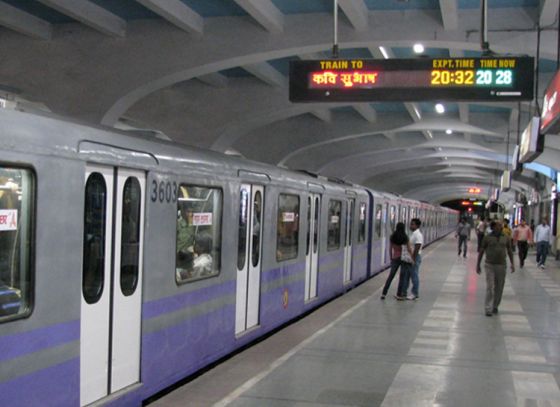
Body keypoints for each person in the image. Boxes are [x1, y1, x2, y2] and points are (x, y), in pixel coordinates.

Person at [476, 220, 515, 316]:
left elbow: (509, 250)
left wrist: (512, 263)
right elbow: (481, 250)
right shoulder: (487, 238)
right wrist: (478, 264)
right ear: (493, 227)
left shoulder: (506, 237)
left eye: (501, 226)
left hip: (502, 265)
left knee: (499, 287)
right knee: (490, 286)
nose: (500, 227)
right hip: (489, 265)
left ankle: (495, 305)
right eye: (498, 226)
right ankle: (488, 308)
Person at [381, 222, 413, 300]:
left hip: (395, 258)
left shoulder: (392, 237)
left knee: (391, 276)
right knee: (402, 277)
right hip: (403, 259)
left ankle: (384, 293)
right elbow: (409, 249)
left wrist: (391, 258)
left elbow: (390, 248)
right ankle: (399, 294)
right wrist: (412, 257)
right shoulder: (405, 237)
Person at [400, 218, 423, 300]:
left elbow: (418, 246)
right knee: (407, 275)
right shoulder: (413, 234)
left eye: (412, 224)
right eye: (411, 224)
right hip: (411, 257)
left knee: (414, 276)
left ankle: (415, 293)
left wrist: (413, 258)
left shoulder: (418, 235)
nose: (410, 225)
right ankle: (403, 293)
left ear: (417, 226)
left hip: (415, 257)